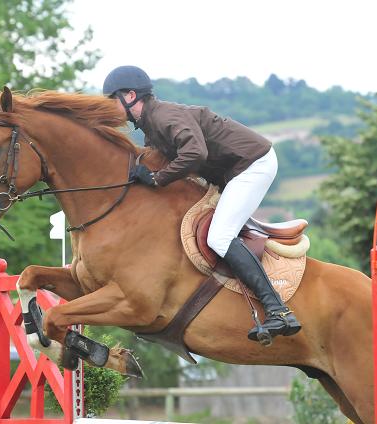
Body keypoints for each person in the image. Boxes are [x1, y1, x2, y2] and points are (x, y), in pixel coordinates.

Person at [103, 66, 301, 343]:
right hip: (230, 172)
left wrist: (157, 179)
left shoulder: (163, 116)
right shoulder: (151, 127)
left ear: (131, 96)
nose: (111, 108)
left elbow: (195, 152)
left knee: (219, 236)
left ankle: (277, 310)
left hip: (252, 164)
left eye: (112, 100)